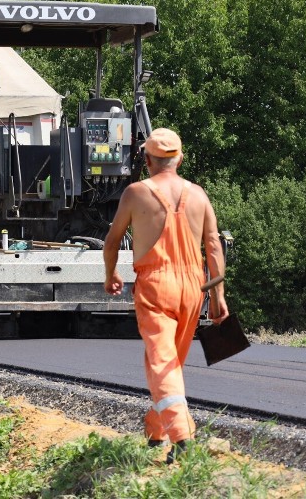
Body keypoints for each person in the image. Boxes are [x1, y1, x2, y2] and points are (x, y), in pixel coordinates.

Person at [103, 127, 229, 464]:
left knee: (161, 363)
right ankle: (156, 433)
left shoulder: (135, 193)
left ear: (147, 160)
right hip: (193, 287)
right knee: (171, 363)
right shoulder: (198, 195)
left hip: (156, 285)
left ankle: (183, 438)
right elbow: (214, 244)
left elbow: (113, 240)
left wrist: (110, 273)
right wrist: (218, 296)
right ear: (180, 158)